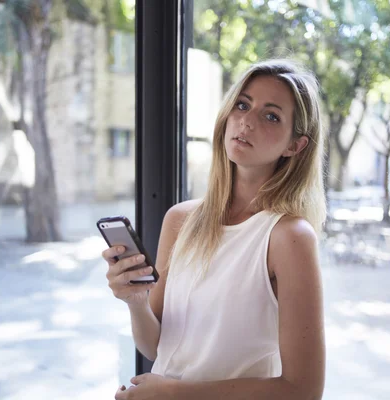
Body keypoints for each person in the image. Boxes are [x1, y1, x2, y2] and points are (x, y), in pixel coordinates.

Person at [103, 59, 326, 400]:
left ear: (295, 146)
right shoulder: (180, 220)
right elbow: (155, 345)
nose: (246, 121)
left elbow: (303, 390)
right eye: (242, 104)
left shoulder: (289, 237)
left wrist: (177, 394)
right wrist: (135, 301)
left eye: (271, 116)